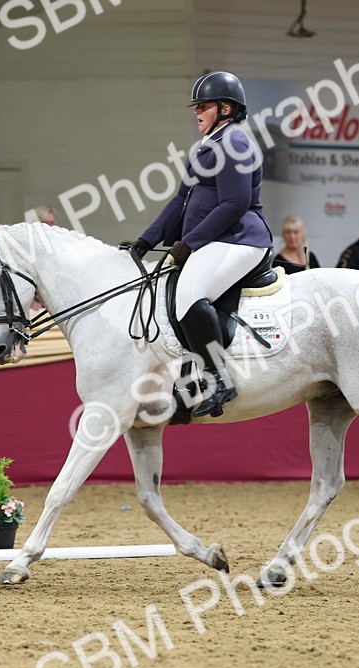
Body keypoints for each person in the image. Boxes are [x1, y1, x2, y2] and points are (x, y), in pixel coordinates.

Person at [128, 71, 272, 418]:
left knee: (190, 294)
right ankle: (186, 380)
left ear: (226, 109)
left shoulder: (236, 144)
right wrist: (147, 238)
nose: (197, 112)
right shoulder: (205, 147)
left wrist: (189, 243)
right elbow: (181, 200)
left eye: (203, 106)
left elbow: (234, 204)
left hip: (242, 238)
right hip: (216, 240)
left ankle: (217, 381)